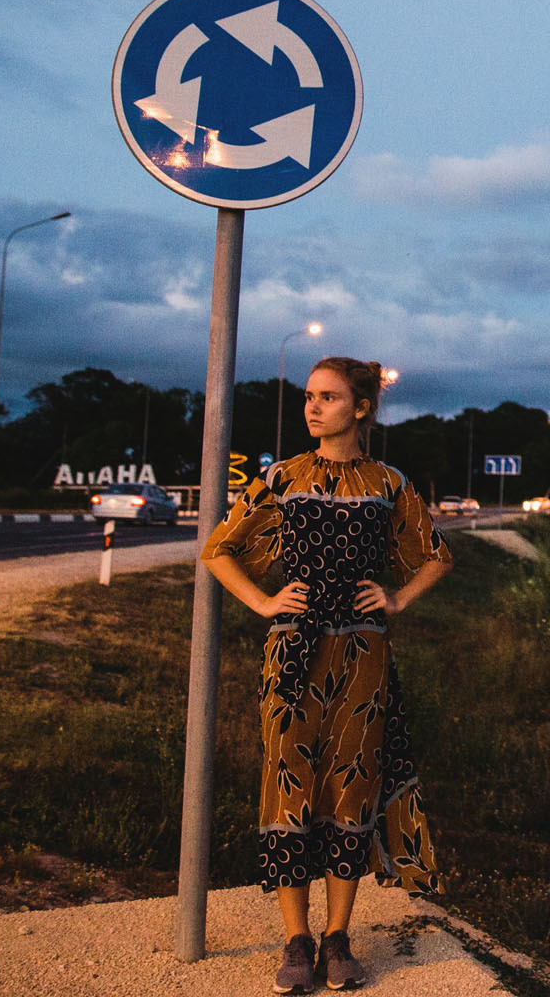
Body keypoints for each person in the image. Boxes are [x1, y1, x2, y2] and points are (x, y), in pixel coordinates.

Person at [201, 356, 454, 994]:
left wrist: (395, 600)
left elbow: (436, 556)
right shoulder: (282, 478)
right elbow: (219, 549)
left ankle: (339, 937)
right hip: (292, 654)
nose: (312, 408)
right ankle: (296, 939)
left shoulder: (389, 482)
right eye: (309, 397)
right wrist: (264, 602)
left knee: (353, 787)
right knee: (288, 784)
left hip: (364, 653)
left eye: (328, 398)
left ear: (360, 408)